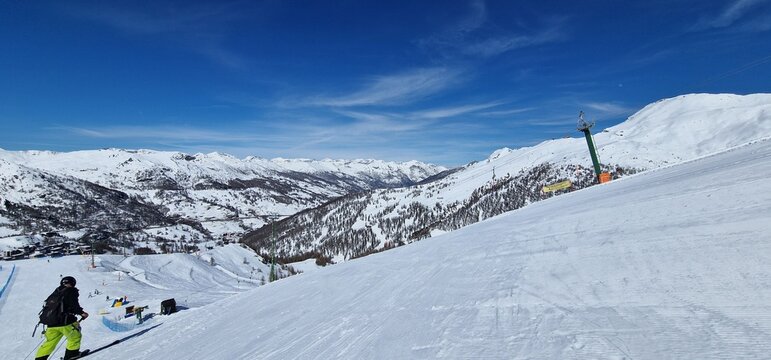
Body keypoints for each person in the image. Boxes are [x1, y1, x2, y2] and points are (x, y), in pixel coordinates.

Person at [35, 276, 89, 360]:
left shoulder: (55, 292)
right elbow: (73, 305)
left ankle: (39, 359)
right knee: (75, 337)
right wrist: (82, 313)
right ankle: (72, 355)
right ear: (73, 283)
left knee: (50, 342)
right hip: (66, 322)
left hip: (51, 323)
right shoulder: (71, 291)